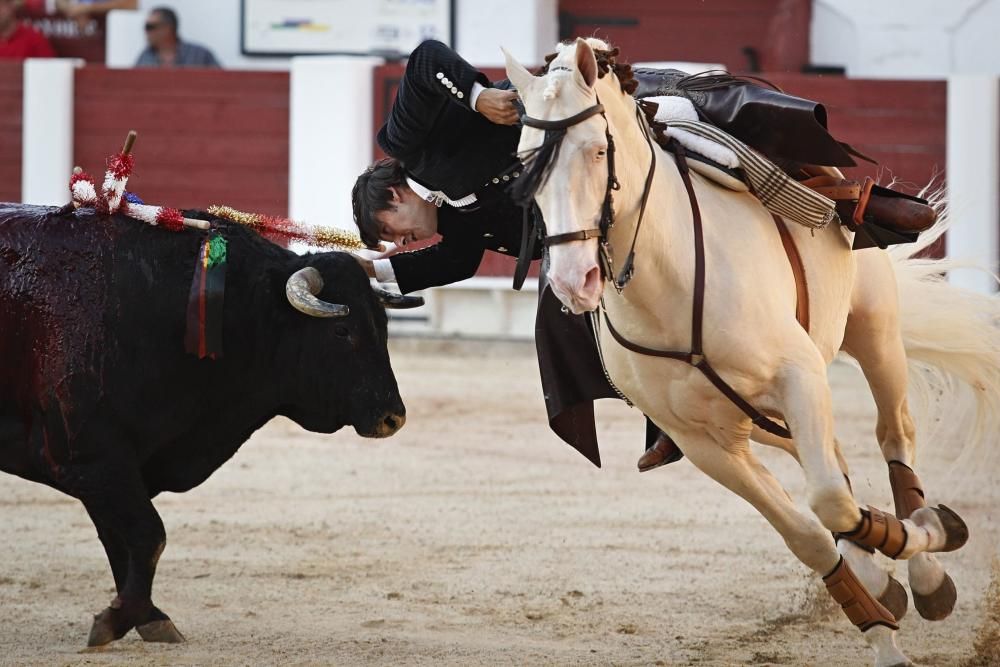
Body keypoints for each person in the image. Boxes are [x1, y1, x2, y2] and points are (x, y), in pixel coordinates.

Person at [352, 39, 932, 473]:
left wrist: (480, 98)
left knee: (690, 122)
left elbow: (426, 60)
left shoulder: (406, 144)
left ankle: (845, 199)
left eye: (392, 231)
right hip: (588, 215)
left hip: (585, 121)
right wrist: (371, 270)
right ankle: (670, 412)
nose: (404, 243)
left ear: (395, 193)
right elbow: (454, 264)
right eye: (395, 247)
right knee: (578, 317)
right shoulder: (458, 221)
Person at [134, 6, 219, 68]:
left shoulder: (200, 55)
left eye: (150, 27)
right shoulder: (145, 57)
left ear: (168, 28)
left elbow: (222, 83)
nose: (146, 32)